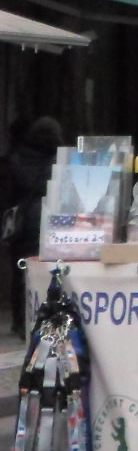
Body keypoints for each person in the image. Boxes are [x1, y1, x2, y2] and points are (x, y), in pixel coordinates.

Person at [1, 117, 62, 335]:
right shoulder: (58, 160)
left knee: (20, 271)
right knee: (47, 269)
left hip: (21, 222)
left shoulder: (14, 159)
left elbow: (7, 194)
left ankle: (19, 320)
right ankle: (41, 314)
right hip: (49, 219)